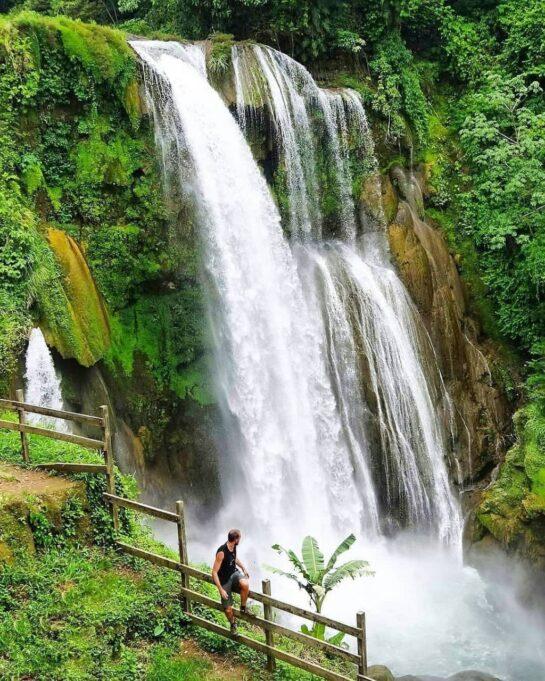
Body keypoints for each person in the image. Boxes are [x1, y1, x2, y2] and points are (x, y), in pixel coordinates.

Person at [212, 529, 250, 634]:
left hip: (234, 573)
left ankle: (243, 607)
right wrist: (221, 590)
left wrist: (243, 568)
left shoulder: (233, 547)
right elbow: (214, 572)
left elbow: (234, 558)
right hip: (224, 579)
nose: (240, 540)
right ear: (236, 539)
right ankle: (233, 624)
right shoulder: (222, 552)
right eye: (240, 538)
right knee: (228, 610)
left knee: (245, 584)